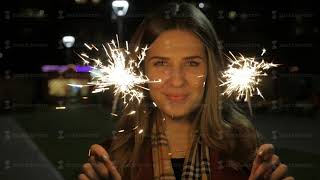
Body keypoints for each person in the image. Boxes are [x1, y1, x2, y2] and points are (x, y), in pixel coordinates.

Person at [78, 2, 294, 180]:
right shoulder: (112, 160)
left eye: (192, 64)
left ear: (210, 70)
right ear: (141, 71)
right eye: (161, 64)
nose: (177, 80)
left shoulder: (248, 155)